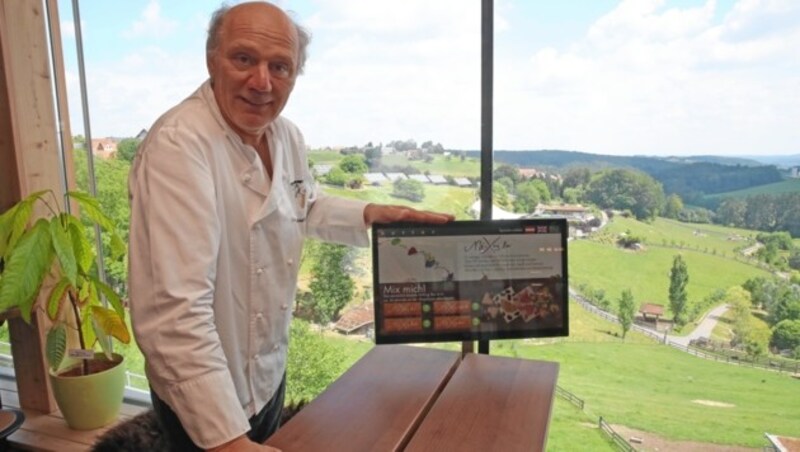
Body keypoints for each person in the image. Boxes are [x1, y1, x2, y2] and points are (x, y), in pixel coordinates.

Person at [127, 2, 453, 451]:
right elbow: (173, 313)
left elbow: (303, 205)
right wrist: (228, 443)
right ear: (211, 59)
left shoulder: (288, 136)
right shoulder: (180, 147)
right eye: (244, 59)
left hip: (266, 369)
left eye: (280, 67)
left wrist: (370, 215)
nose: (262, 82)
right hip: (203, 392)